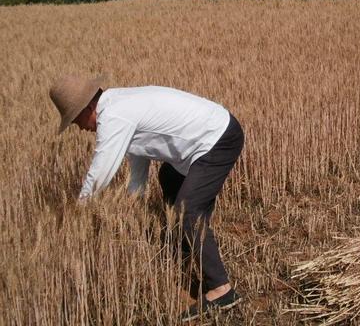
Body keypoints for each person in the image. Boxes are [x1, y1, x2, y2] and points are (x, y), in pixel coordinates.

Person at [49, 74, 244, 320]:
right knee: (169, 177)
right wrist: (134, 202)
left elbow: (99, 175)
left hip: (218, 139)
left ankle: (221, 289)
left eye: (76, 120)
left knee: (189, 210)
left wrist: (76, 215)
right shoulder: (118, 104)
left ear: (89, 107)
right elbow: (140, 157)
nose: (79, 128)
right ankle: (188, 246)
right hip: (209, 134)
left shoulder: (114, 116)